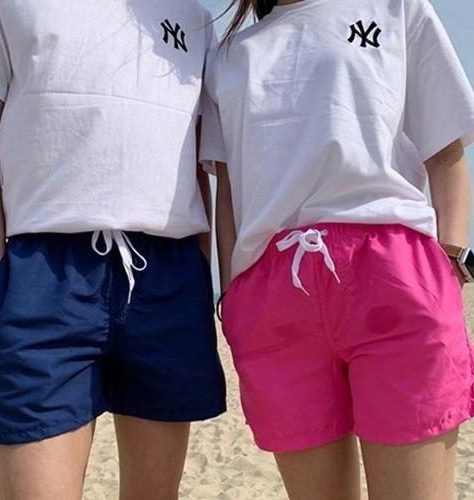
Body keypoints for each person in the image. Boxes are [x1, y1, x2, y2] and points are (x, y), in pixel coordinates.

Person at [200, 0, 474, 498]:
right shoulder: (230, 54)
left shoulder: (396, 9)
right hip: (272, 292)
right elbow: (229, 191)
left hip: (394, 271)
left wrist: (450, 263)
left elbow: (445, 152)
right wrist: (233, 294)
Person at [0, 1, 226, 498]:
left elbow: (194, 158)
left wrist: (200, 265)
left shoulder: (196, 16)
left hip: (167, 273)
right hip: (43, 272)